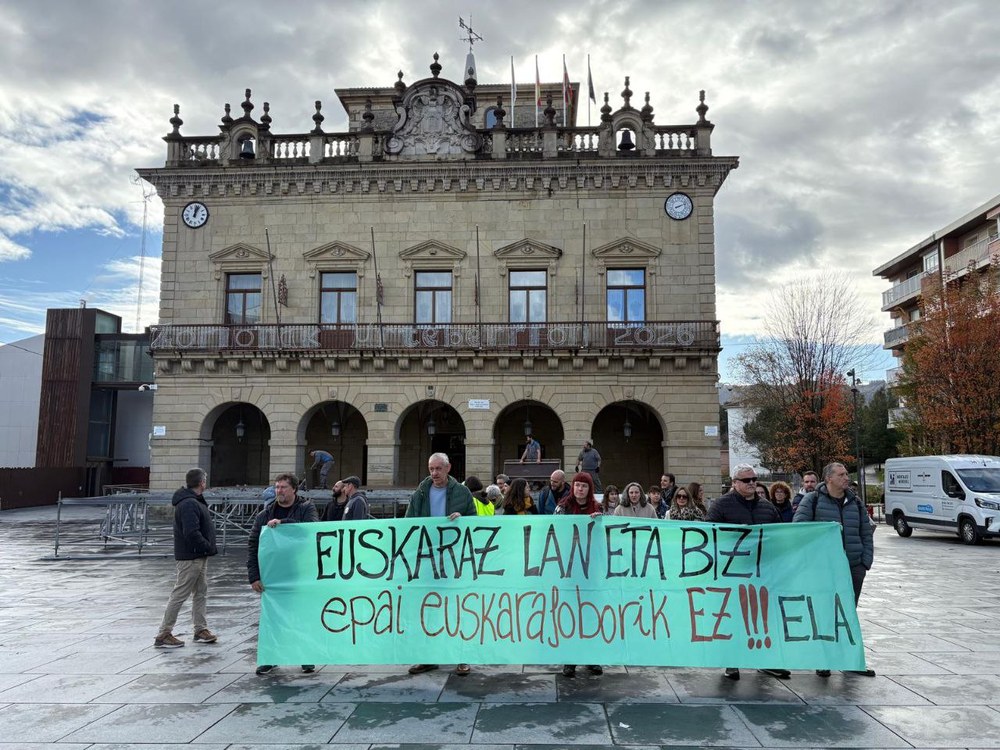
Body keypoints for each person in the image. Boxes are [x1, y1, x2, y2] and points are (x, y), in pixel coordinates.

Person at [707, 463, 789, 681]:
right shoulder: (720, 505)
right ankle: (731, 663)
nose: (752, 483)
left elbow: (778, 536)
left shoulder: (767, 507)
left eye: (754, 479)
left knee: (764, 617)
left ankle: (766, 662)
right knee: (733, 617)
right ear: (734, 483)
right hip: (732, 572)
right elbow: (710, 535)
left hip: (762, 573)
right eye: (746, 480)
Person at [793, 462, 876, 677]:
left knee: (848, 614)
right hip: (824, 569)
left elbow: (866, 532)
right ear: (829, 478)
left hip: (853, 566)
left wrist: (865, 561)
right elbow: (799, 531)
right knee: (825, 613)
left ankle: (849, 660)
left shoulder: (855, 501)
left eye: (846, 474)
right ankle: (824, 660)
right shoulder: (812, 500)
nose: (846, 478)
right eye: (841, 475)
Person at [406, 452, 476, 676]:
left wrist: (462, 520)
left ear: (448, 468)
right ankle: (428, 657)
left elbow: (474, 523)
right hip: (427, 561)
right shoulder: (420, 493)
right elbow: (408, 523)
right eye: (431, 469)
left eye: (438, 469)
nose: (434, 473)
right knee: (428, 610)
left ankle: (461, 656)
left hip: (454, 560)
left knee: (457, 608)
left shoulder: (463, 493)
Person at [248, 473, 319, 675]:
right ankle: (270, 658)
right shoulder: (264, 514)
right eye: (277, 487)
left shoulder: (306, 508)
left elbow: (311, 528)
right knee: (273, 618)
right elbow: (253, 544)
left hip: (301, 572)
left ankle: (307, 656)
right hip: (274, 576)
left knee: (303, 614)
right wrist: (253, 576)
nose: (279, 491)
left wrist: (283, 523)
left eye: (283, 487)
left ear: (294, 489)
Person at [154, 468, 218, 648]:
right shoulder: (189, 503)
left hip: (198, 556)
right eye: (205, 480)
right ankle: (164, 633)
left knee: (200, 592)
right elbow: (191, 532)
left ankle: (200, 629)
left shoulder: (192, 501)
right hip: (191, 557)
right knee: (180, 594)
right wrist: (206, 546)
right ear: (202, 482)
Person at [555, 472, 603, 677]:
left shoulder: (598, 509)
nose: (580, 489)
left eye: (584, 486)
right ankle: (570, 659)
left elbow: (604, 537)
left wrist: (599, 522)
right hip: (569, 567)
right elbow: (555, 532)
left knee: (590, 612)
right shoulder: (562, 507)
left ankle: (592, 657)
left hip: (591, 569)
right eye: (577, 486)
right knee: (570, 613)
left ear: (589, 489)